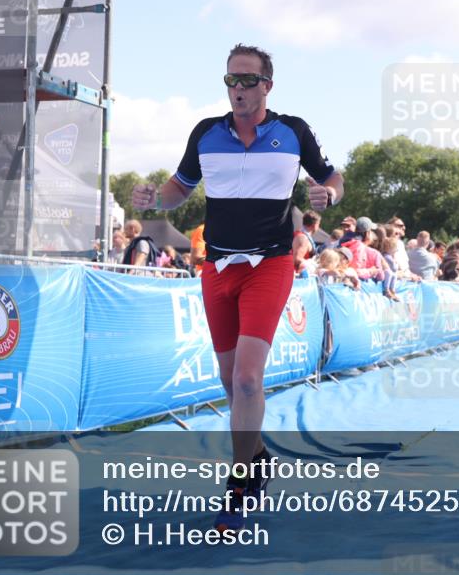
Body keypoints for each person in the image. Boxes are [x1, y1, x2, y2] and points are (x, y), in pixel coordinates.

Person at [131, 44, 344, 533]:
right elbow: (178, 189)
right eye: (231, 80)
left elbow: (331, 176)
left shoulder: (293, 131)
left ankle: (243, 480)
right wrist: (152, 200)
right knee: (231, 383)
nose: (238, 89)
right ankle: (260, 454)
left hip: (269, 264)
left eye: (248, 80)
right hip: (217, 267)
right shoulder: (206, 133)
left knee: (248, 379)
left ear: (267, 85)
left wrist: (328, 192)